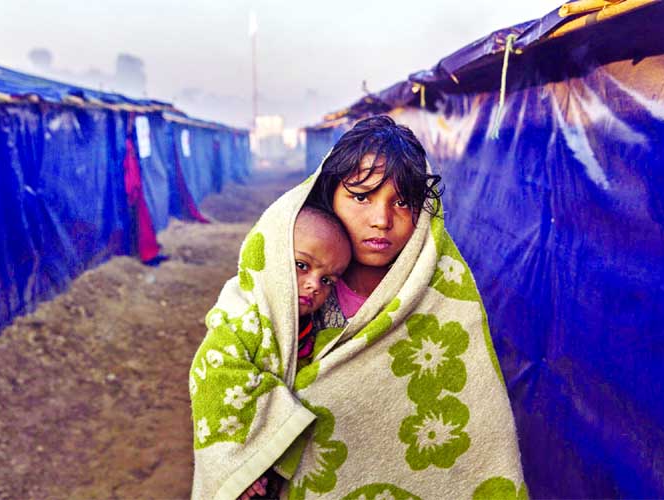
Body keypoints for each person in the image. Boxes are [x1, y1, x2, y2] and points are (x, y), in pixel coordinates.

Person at [190, 115, 523, 500]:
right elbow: (217, 369)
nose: (381, 220)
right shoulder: (279, 285)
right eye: (361, 196)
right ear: (328, 193)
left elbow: (478, 429)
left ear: (424, 213)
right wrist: (247, 457)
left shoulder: (445, 298)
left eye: (401, 202)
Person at [239, 206, 351, 500]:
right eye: (302, 265)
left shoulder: (314, 328)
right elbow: (219, 389)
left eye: (327, 280)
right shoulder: (241, 320)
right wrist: (240, 465)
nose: (314, 285)